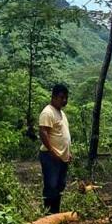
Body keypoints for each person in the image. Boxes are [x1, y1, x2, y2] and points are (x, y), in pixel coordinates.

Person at [38, 84, 72, 214]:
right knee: (51, 186)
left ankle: (55, 213)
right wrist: (52, 151)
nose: (64, 100)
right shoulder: (48, 112)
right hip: (50, 157)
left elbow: (63, 134)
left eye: (66, 98)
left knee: (59, 186)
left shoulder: (61, 113)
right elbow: (43, 133)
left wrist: (69, 152)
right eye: (61, 97)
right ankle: (48, 214)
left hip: (62, 157)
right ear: (53, 97)